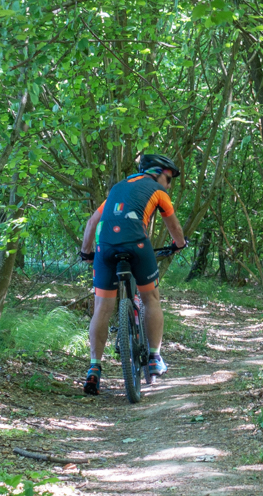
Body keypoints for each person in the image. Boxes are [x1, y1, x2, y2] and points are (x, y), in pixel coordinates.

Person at [78, 153, 187, 395]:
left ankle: (94, 368)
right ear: (159, 173)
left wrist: (87, 253)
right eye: (169, 179)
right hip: (137, 244)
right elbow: (174, 227)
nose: (169, 185)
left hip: (105, 248)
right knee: (151, 299)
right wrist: (179, 243)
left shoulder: (117, 188)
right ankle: (154, 357)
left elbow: (91, 223)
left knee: (102, 308)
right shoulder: (158, 192)